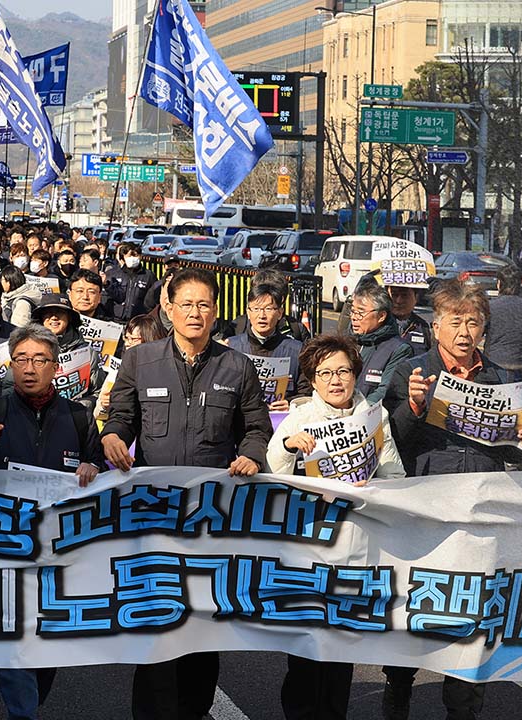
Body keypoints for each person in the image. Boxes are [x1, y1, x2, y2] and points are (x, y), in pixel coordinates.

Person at [102, 268, 273, 720]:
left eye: (205, 305)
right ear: (168, 309)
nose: (196, 313)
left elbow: (256, 429)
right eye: (188, 304)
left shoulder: (237, 366)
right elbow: (120, 417)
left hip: (209, 522)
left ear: (216, 313)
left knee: (201, 625)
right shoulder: (140, 361)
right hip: (152, 519)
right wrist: (113, 436)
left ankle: (195, 710)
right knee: (157, 623)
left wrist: (252, 455)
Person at [381, 280, 522, 720]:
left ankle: (464, 707)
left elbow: (511, 451)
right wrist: (412, 408)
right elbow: (390, 445)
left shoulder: (502, 380)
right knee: (415, 607)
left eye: (474, 322)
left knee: (472, 612)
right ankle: (398, 690)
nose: (465, 330)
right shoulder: (410, 372)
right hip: (425, 512)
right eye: (456, 321)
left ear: (484, 329)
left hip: (479, 514)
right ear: (437, 327)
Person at [0, 324, 103, 720]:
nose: (29, 368)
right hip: (6, 547)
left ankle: (30, 703)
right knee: (16, 640)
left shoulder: (79, 416)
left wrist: (94, 466)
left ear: (56, 367)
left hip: (59, 550)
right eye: (20, 359)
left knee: (48, 644)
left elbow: (98, 470)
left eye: (39, 360)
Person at [266, 334, 404, 720]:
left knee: (342, 643)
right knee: (307, 645)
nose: (335, 380)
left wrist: (374, 487)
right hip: (309, 546)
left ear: (356, 374)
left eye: (343, 370)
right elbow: (273, 473)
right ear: (312, 380)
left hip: (357, 546)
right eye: (324, 373)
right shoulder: (300, 418)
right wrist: (290, 447)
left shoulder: (375, 417)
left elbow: (394, 472)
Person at [226, 283, 310, 412]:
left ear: (280, 313)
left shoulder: (297, 351)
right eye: (256, 309)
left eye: (269, 309)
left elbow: (307, 394)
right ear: (248, 312)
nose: (262, 316)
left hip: (280, 424)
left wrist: (292, 404)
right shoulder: (231, 348)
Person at [349, 283, 415, 404]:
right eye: (353, 311)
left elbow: (385, 391)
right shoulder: (347, 342)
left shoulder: (399, 349)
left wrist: (356, 412)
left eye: (361, 312)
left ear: (381, 316)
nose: (354, 317)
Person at [483, 266, 522, 383]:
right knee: (516, 400)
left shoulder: (490, 306)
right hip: (519, 364)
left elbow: (479, 330)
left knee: (495, 399)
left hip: (493, 363)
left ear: (499, 284)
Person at [106, 242, 154, 321]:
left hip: (137, 320)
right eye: (129, 255)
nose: (132, 258)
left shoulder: (148, 275)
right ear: (123, 257)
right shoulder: (112, 274)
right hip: (115, 319)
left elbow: (152, 300)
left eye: (135, 255)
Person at [388, 285, 432, 354]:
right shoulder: (378, 324)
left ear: (416, 298)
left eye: (404, 295)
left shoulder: (424, 328)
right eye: (394, 295)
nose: (399, 301)